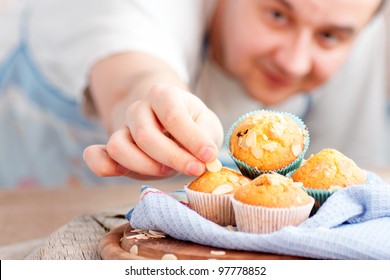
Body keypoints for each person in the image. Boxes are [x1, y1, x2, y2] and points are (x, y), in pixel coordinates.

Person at [0, 0, 388, 188]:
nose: (294, 62)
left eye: (329, 37)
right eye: (277, 15)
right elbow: (131, 77)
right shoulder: (135, 8)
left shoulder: (352, 24)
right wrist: (153, 106)